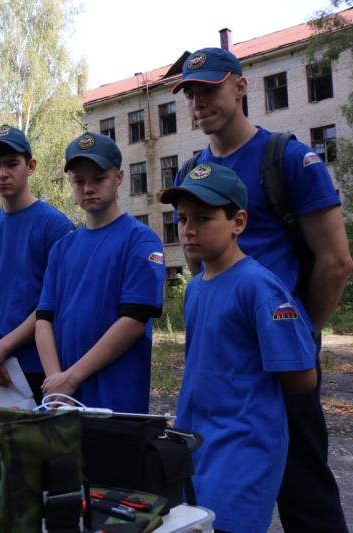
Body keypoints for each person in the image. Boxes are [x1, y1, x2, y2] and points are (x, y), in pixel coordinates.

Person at [172, 47, 352, 532]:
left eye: (207, 89)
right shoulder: (190, 175)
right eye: (189, 94)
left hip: (279, 349)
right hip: (224, 357)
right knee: (210, 486)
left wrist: (297, 337)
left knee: (304, 488)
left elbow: (335, 262)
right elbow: (195, 262)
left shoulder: (288, 157)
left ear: (240, 85)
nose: (197, 103)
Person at [160, 162, 318, 533]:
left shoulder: (259, 288)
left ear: (239, 222)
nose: (189, 230)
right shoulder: (196, 287)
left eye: (204, 218)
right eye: (182, 220)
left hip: (243, 454)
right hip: (196, 448)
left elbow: (303, 377)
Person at [36, 132, 165, 413]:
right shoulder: (62, 247)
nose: (88, 188)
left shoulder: (140, 240)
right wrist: (57, 382)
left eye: (98, 178)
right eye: (79, 181)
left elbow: (133, 320)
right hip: (63, 399)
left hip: (115, 399)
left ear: (118, 177)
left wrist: (71, 378)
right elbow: (44, 319)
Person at [0, 124, 74, 404]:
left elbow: (53, 304)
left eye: (12, 164)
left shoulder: (55, 227)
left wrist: (2, 348)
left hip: (36, 367)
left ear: (31, 166)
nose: (2, 173)